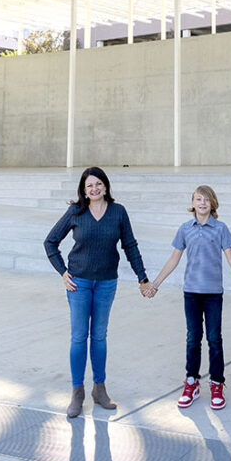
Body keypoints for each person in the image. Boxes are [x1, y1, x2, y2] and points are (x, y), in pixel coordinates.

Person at [44, 166, 150, 418]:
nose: (94, 189)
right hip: (79, 283)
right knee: (79, 337)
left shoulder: (118, 212)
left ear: (106, 186)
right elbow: (50, 242)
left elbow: (130, 246)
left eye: (98, 184)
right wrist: (62, 271)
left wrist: (142, 278)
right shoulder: (75, 211)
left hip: (106, 283)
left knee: (99, 336)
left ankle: (99, 389)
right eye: (89, 185)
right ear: (83, 189)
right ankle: (77, 392)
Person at [144, 185, 231, 410]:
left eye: (207, 199)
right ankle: (192, 382)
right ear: (193, 203)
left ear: (212, 203)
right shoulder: (185, 229)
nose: (203, 203)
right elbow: (173, 259)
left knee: (214, 339)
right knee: (193, 338)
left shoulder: (221, 228)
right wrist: (155, 284)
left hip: (213, 294)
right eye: (199, 199)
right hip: (192, 294)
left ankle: (217, 383)